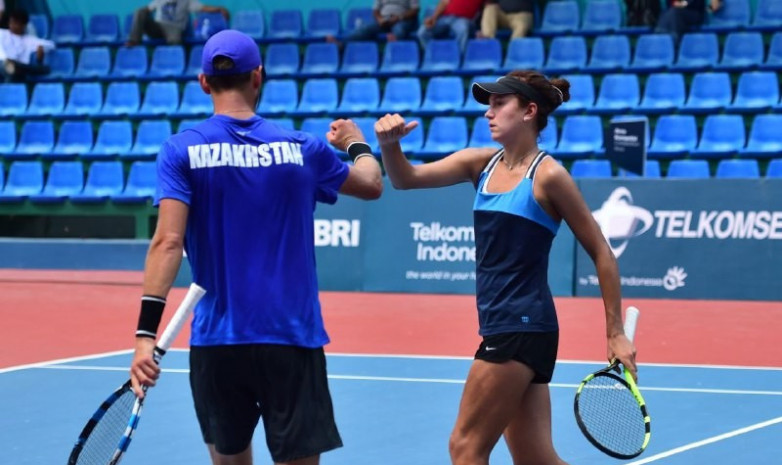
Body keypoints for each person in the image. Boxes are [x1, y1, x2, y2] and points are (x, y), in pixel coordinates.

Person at [129, 29, 383, 465]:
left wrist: (144, 336)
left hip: (217, 342)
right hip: (292, 337)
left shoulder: (181, 151)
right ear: (258, 77)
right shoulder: (304, 149)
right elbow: (372, 184)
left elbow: (167, 242)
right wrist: (354, 142)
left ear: (204, 82)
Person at [374, 70, 637, 465]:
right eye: (489, 105)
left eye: (499, 104)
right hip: (514, 326)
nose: (488, 113)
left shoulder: (548, 176)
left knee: (465, 448)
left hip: (520, 326)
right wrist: (389, 146)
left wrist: (614, 332)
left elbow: (602, 252)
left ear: (529, 111)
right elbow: (405, 179)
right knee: (535, 457)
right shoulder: (480, 164)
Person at [126, 0, 230, 46]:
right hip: (157, 26)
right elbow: (148, 9)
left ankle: (172, 60)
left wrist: (219, 9)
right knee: (140, 12)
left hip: (174, 27)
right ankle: (134, 40)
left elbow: (203, 8)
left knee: (175, 40)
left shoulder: (187, 0)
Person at [0, 9, 54, 82]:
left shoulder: (29, 40)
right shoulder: (2, 34)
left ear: (23, 25)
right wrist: (6, 59)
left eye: (15, 23)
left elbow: (51, 44)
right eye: (11, 22)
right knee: (8, 66)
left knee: (12, 71)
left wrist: (41, 47)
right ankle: (36, 70)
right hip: (3, 63)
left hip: (18, 67)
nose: (11, 25)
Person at [330, 0, 420, 43]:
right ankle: (341, 44)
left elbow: (415, 10)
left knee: (399, 30)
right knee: (365, 28)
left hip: (403, 20)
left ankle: (395, 54)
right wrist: (379, 19)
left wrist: (399, 17)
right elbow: (375, 11)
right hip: (385, 20)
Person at [417, 0, 484, 53]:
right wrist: (434, 18)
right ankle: (432, 56)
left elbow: (489, 9)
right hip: (446, 17)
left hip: (463, 19)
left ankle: (458, 58)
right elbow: (444, 2)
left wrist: (483, 30)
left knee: (462, 28)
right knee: (423, 31)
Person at [655, 0, 721, 43]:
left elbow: (697, 4)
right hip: (676, 13)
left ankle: (675, 41)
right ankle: (660, 37)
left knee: (675, 13)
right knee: (667, 13)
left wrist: (683, 4)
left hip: (695, 13)